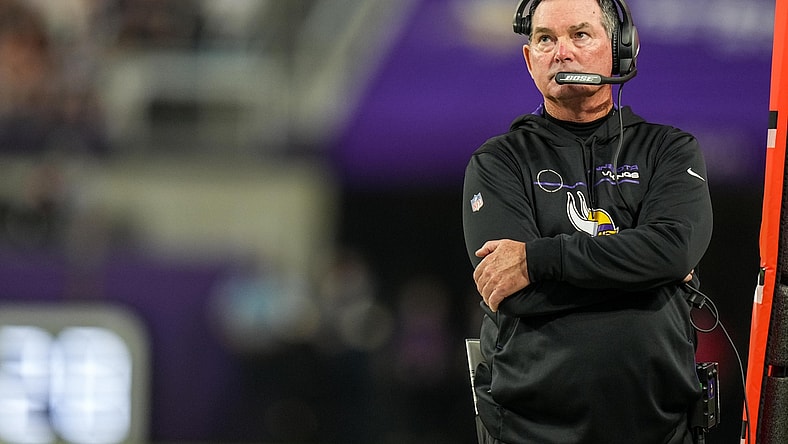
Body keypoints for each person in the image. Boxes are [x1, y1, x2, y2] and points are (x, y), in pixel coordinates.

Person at [461, 0, 713, 443]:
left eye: (580, 34)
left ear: (620, 48)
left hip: (661, 427)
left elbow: (673, 249)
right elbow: (516, 297)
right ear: (529, 59)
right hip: (530, 430)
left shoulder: (670, 150)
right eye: (545, 39)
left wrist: (537, 259)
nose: (561, 51)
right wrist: (648, 274)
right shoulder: (497, 162)